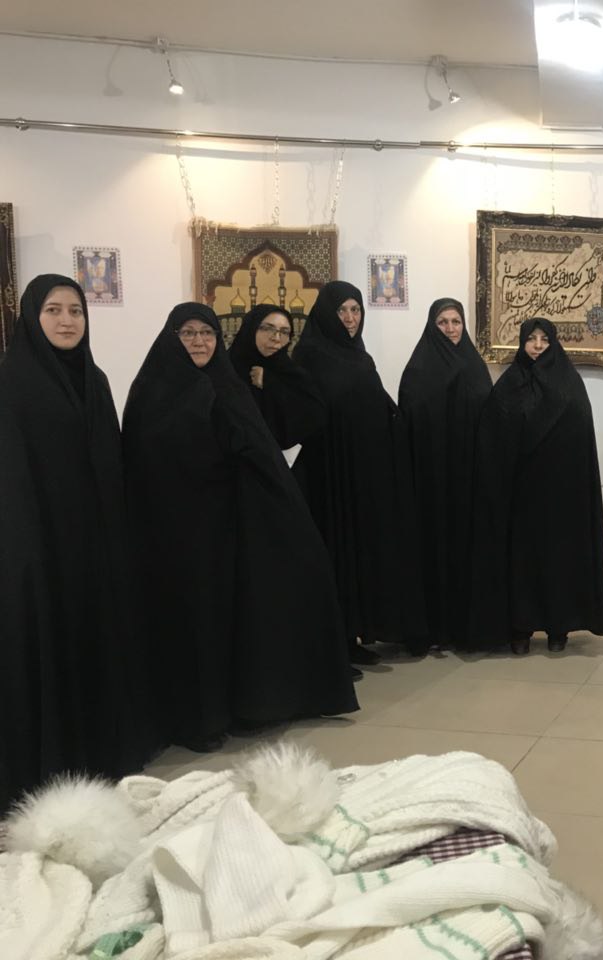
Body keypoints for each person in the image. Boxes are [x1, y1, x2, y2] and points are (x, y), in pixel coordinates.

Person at [122, 302, 357, 752]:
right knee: (192, 622)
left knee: (233, 617)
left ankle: (242, 705)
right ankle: (197, 718)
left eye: (207, 333)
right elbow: (141, 462)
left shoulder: (228, 386)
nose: (199, 342)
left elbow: (259, 452)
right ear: (171, 338)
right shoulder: (152, 389)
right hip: (174, 530)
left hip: (230, 525)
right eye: (188, 333)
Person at [0, 275, 162, 810]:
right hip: (40, 544)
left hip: (95, 544)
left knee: (95, 638)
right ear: (31, 317)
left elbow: (111, 461)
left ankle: (99, 749)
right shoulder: (12, 382)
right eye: (53, 310)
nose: (67, 320)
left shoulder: (96, 380)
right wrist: (24, 551)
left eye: (75, 310)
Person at [292, 281, 428, 662]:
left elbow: (374, 402)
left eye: (356, 311)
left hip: (363, 473)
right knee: (335, 552)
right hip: (330, 472)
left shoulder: (360, 356)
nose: (350, 319)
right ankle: (334, 644)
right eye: (342, 311)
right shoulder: (309, 355)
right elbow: (304, 409)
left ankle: (354, 635)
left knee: (359, 554)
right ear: (326, 314)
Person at [469, 318, 603, 654]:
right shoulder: (508, 384)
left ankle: (558, 627)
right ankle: (521, 627)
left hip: (561, 494)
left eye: (544, 339)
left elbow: (579, 436)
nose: (536, 345)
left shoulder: (569, 383)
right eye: (530, 339)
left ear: (554, 343)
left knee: (558, 560)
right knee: (521, 562)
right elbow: (493, 438)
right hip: (520, 495)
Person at [399, 297, 492, 649]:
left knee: (466, 548)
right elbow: (410, 421)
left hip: (469, 477)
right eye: (443, 322)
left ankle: (467, 628)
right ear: (431, 325)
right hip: (431, 478)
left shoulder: (475, 366)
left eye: (456, 322)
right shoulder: (418, 369)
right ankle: (433, 629)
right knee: (433, 547)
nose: (451, 329)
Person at [227, 303, 326, 450]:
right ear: (251, 329)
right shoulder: (226, 371)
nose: (276, 338)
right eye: (267, 329)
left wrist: (271, 383)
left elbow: (313, 415)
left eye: (284, 332)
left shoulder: (293, 374)